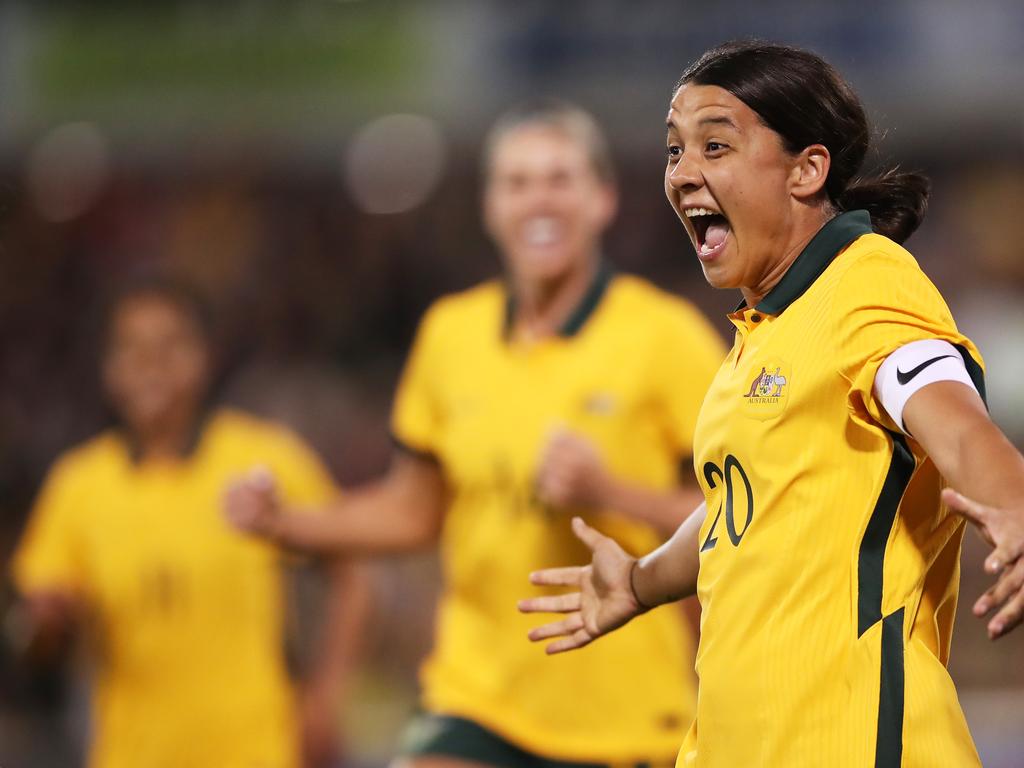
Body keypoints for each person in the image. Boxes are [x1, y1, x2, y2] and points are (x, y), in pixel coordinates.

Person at [519, 41, 1024, 768]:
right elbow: (746, 510)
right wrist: (638, 580)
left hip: (853, 744)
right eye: (673, 150)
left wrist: (1010, 499)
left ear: (807, 169)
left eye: (715, 145)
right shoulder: (765, 332)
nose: (683, 173)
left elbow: (956, 421)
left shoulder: (869, 286)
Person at [226, 102, 725, 768]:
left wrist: (612, 491)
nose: (537, 200)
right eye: (517, 183)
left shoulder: (665, 337)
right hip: (476, 694)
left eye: (558, 180)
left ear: (601, 199)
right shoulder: (449, 335)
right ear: (490, 206)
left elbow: (737, 513)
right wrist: (288, 524)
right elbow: (412, 509)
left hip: (624, 709)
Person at [10, 278, 367, 768]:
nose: (149, 365)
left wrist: (326, 696)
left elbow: (350, 571)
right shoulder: (79, 485)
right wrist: (46, 625)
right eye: (130, 348)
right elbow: (39, 631)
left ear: (205, 356)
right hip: (130, 754)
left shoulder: (263, 460)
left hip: (255, 750)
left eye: (169, 344)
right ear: (107, 367)